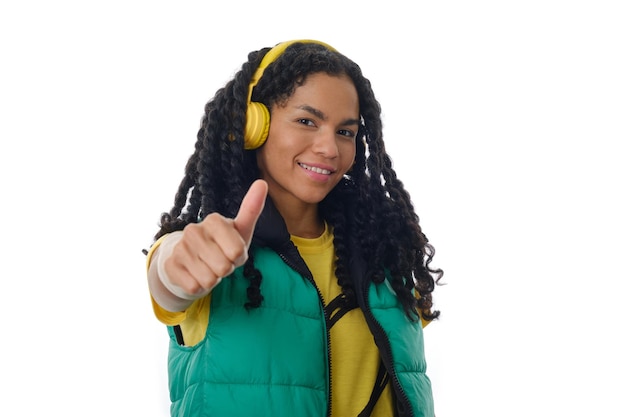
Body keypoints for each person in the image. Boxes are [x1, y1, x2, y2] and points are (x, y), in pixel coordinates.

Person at [144, 39, 443, 417]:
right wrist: (176, 269)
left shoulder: (385, 254)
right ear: (254, 126)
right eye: (307, 121)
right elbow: (169, 279)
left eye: (345, 132)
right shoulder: (211, 248)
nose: (329, 148)